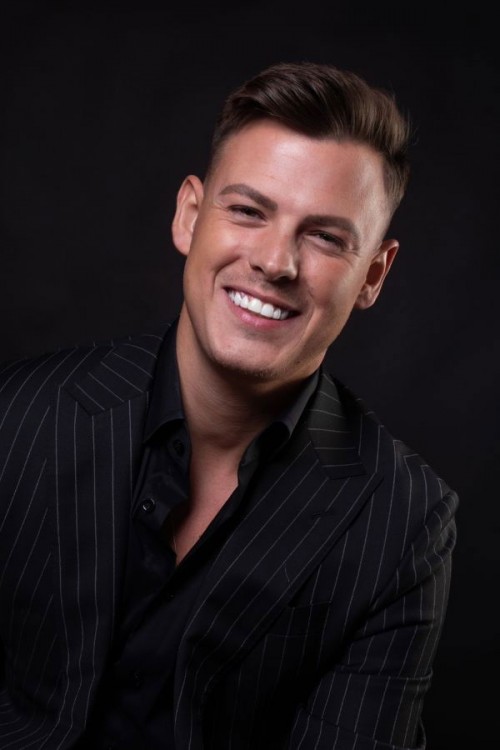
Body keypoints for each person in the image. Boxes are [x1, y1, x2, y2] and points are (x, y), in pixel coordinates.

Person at [0, 61, 457, 750]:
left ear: (373, 274)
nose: (275, 262)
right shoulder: (20, 415)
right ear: (189, 216)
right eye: (248, 211)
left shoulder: (404, 526)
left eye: (326, 237)